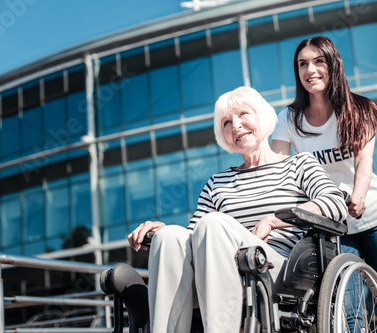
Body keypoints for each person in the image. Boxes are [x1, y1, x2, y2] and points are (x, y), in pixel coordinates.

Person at [128, 86, 348, 333]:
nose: (236, 125)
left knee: (213, 223)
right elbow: (192, 240)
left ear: (262, 116)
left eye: (243, 114)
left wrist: (274, 220)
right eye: (226, 123)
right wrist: (162, 231)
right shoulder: (217, 182)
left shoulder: (298, 164)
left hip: (277, 270)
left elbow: (335, 203)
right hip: (215, 269)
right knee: (169, 238)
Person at [270, 36, 377, 332]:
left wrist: (357, 197)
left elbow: (363, 162)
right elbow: (276, 169)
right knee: (348, 309)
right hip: (332, 225)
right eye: (303, 64)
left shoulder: (359, 108)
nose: (311, 70)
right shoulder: (288, 119)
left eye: (319, 61)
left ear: (333, 65)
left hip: (376, 216)